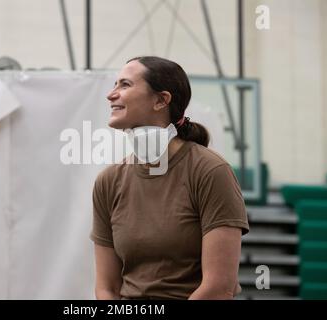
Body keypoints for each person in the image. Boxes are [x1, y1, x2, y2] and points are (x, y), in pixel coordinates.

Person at [90, 56, 249, 300]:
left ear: (161, 100)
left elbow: (220, 287)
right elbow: (106, 288)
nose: (111, 95)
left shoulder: (210, 171)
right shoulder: (108, 182)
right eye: (115, 85)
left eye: (125, 85)